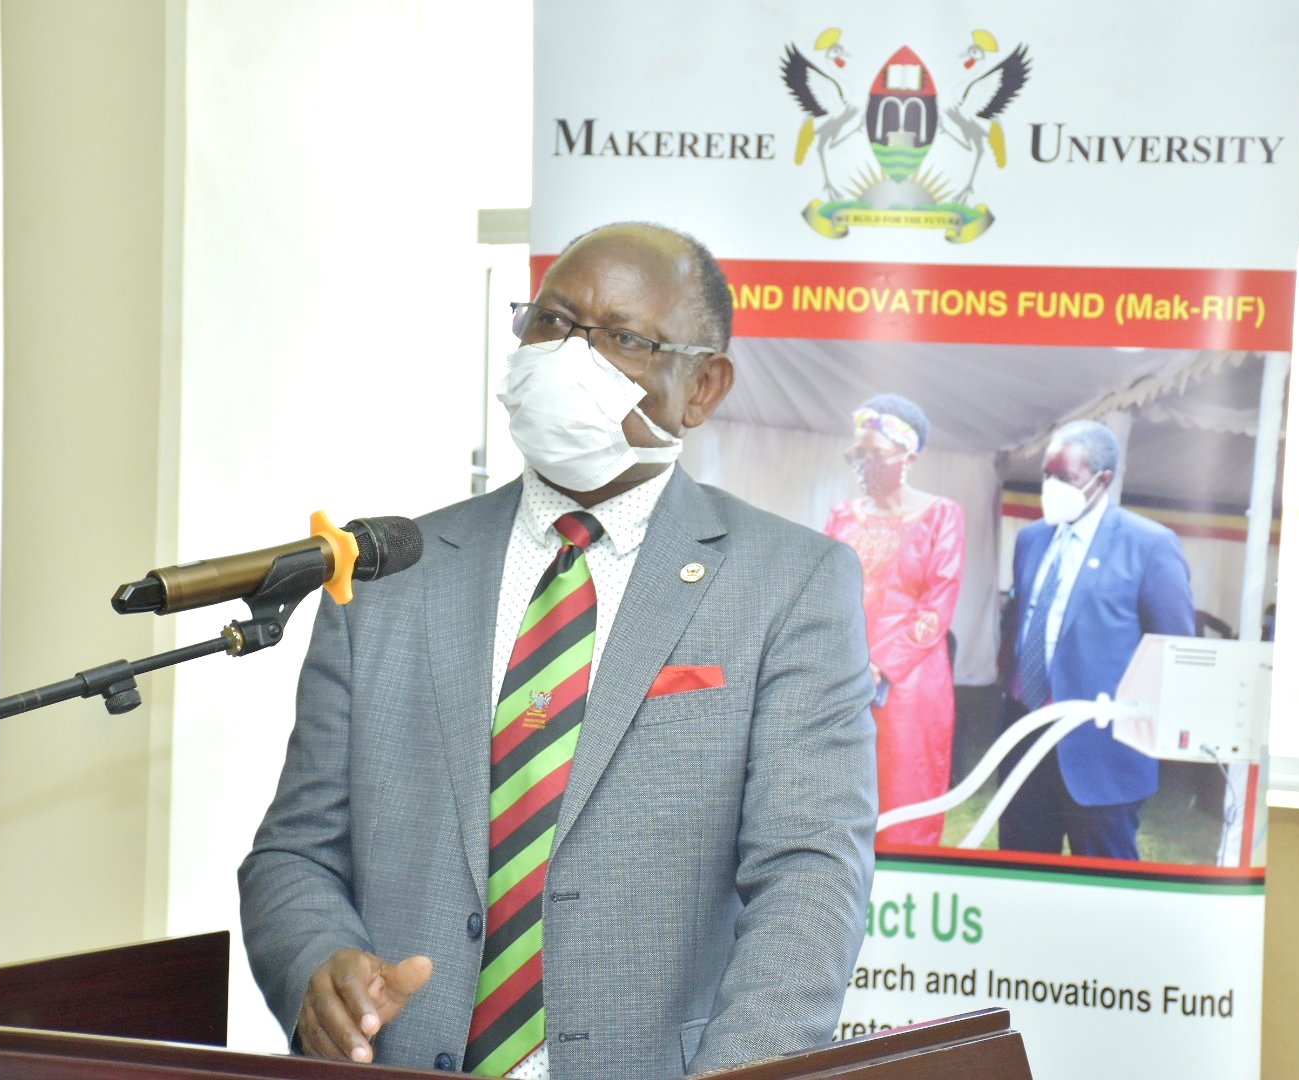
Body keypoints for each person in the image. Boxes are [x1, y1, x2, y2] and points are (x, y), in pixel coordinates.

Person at [238, 222, 878, 1079]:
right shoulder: (389, 578)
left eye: (623, 338)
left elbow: (810, 875)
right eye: (552, 323)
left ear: (704, 387)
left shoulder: (790, 583)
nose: (570, 357)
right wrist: (318, 965)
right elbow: (293, 854)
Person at [1000, 419, 1195, 860]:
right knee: (1022, 881)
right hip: (1026, 737)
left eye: (1065, 478)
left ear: (1102, 480)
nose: (1051, 487)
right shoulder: (1031, 539)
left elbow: (1177, 653)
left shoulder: (1149, 545)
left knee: (1106, 889)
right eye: (1046, 475)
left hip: (1102, 755)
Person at [824, 395, 964, 851]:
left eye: (876, 454)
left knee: (905, 796)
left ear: (909, 458)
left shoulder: (941, 516)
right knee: (839, 796)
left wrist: (879, 664)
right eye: (856, 453)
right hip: (843, 677)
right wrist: (847, 662)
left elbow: (936, 606)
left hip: (909, 687)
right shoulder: (843, 516)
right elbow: (824, 592)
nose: (863, 464)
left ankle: (901, 903)